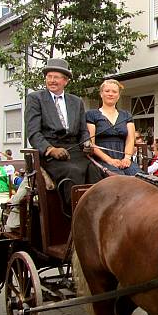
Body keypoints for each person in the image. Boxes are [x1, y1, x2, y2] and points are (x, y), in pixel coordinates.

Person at [25, 58, 102, 215]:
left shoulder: (76, 101)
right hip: (51, 156)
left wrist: (87, 143)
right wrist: (51, 149)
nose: (52, 80)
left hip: (75, 152)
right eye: (49, 76)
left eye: (56, 77)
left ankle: (98, 214)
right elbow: (33, 133)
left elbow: (83, 131)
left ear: (65, 81)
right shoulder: (35, 99)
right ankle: (75, 216)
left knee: (96, 170)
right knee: (72, 172)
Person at [86, 79, 139, 176]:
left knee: (140, 177)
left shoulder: (126, 115)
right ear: (101, 94)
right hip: (101, 159)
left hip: (123, 159)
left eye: (114, 92)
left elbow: (130, 139)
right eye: (107, 91)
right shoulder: (91, 114)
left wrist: (127, 158)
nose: (110, 94)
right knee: (119, 179)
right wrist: (109, 160)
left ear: (118, 96)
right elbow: (91, 143)